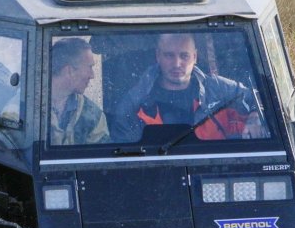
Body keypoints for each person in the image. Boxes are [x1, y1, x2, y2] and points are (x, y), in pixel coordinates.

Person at [110, 33, 267, 143]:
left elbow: (261, 98)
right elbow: (124, 155)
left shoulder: (218, 90)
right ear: (158, 56)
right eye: (169, 55)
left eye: (184, 56)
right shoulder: (134, 103)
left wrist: (255, 117)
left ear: (195, 57)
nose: (177, 64)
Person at [50, 38, 110, 145]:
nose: (92, 75)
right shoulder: (25, 108)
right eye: (89, 67)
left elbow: (102, 153)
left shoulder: (93, 116)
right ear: (70, 70)